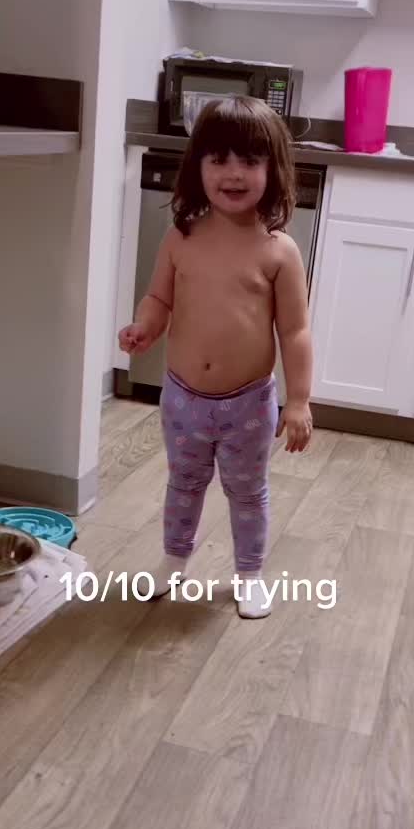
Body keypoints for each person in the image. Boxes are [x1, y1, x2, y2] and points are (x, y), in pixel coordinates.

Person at [118, 95, 313, 618]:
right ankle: (173, 560)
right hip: (183, 399)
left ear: (272, 169)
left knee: (247, 493)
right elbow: (159, 297)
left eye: (249, 160)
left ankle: (249, 574)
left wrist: (298, 400)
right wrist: (145, 326)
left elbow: (295, 331)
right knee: (182, 484)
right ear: (197, 166)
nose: (233, 173)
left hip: (248, 404)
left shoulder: (278, 250)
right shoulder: (181, 237)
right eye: (219, 159)